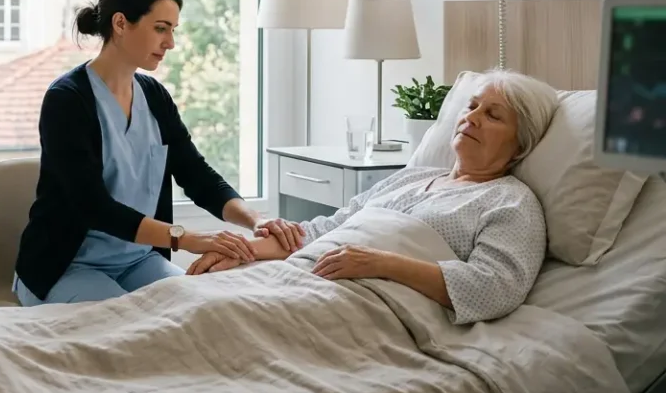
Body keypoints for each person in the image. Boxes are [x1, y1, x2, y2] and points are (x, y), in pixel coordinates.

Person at [12, 0, 300, 306]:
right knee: (131, 325)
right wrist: (187, 239)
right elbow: (93, 206)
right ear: (121, 24)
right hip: (65, 266)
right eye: (161, 29)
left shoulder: (154, 96)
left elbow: (196, 175)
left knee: (204, 309)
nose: (171, 43)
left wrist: (256, 220)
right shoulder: (67, 99)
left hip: (138, 261)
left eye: (173, 30)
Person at [189, 69, 559, 325]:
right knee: (193, 302)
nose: (471, 118)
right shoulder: (412, 178)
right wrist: (241, 249)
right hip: (307, 276)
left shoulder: (511, 203)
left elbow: (493, 289)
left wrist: (379, 263)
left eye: (493, 115)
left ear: (520, 145)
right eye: (471, 106)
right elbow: (323, 230)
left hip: (363, 305)